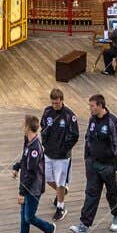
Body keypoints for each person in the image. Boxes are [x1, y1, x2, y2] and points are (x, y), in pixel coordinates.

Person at [70, 93, 117, 233]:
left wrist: (116, 167)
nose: (90, 109)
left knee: (111, 193)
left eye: (92, 106)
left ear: (100, 106)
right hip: (93, 164)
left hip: (109, 166)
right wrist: (87, 159)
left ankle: (116, 216)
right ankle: (84, 225)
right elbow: (87, 138)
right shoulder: (92, 120)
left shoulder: (113, 122)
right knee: (91, 194)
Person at [6, 114, 55, 233]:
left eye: (24, 124)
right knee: (23, 217)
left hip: (33, 188)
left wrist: (22, 193)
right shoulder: (27, 141)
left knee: (29, 217)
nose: (22, 126)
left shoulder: (35, 148)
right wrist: (17, 166)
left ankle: (49, 228)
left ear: (28, 127)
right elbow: (24, 158)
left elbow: (32, 172)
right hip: (27, 185)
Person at [39, 87, 80, 221]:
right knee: (48, 179)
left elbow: (75, 135)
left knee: (61, 182)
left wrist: (64, 148)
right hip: (48, 152)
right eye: (53, 103)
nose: (54, 105)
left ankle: (61, 207)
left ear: (62, 101)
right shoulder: (47, 111)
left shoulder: (69, 115)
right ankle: (61, 192)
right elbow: (43, 126)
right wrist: (45, 142)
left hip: (62, 156)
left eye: (57, 103)